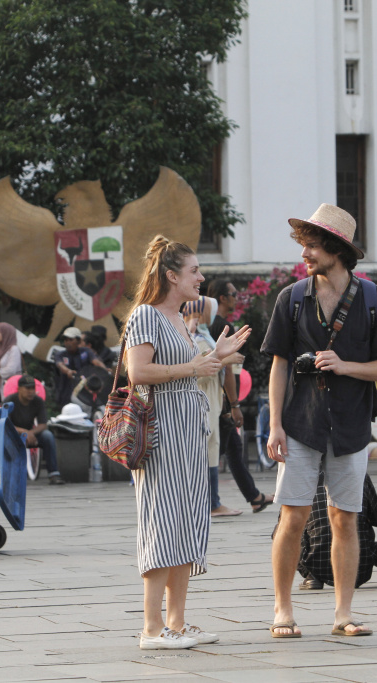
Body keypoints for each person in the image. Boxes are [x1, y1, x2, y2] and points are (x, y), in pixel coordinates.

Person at [261, 204, 377, 639]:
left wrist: (345, 366)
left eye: (313, 244)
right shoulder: (292, 298)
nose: (304, 252)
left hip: (351, 424)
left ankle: (344, 612)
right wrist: (274, 425)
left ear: (337, 249)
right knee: (294, 515)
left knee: (346, 517)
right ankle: (283, 608)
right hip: (301, 421)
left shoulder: (376, 300)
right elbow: (279, 365)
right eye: (304, 243)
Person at [122, 235, 251, 650]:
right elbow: (138, 372)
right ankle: (152, 627)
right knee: (161, 523)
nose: (202, 277)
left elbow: (191, 370)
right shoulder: (145, 315)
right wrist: (196, 364)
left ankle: (177, 623)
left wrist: (219, 358)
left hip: (190, 430)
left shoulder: (178, 318)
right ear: (172, 275)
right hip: (162, 432)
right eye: (194, 271)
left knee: (186, 523)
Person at [207, 278, 274, 513]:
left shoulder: (209, 326)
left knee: (231, 448)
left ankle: (254, 496)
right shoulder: (223, 328)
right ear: (223, 298)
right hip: (220, 399)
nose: (237, 298)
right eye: (234, 294)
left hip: (216, 398)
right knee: (214, 450)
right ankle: (212, 502)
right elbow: (228, 371)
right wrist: (234, 404)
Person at [182, 295, 241, 517]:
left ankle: (212, 501)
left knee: (211, 450)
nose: (214, 314)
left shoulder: (201, 336)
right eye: (210, 310)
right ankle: (210, 502)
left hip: (210, 402)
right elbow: (200, 370)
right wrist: (227, 359)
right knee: (206, 451)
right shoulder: (196, 338)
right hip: (202, 402)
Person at [292, 473, 377, 591]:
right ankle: (350, 575)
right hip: (360, 567)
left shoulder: (304, 474)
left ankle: (312, 576)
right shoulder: (357, 471)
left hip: (316, 562)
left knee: (284, 531)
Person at [5, 375, 64, 485]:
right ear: (19, 389)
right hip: (13, 434)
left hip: (31, 435)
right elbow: (6, 424)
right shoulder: (10, 401)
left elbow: (43, 424)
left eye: (33, 388)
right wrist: (24, 432)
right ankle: (10, 473)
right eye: (28, 388)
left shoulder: (38, 401)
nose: (31, 391)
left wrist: (30, 433)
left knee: (48, 436)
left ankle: (53, 473)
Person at [52, 327, 105, 409]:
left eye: (71, 339)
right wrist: (68, 371)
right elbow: (61, 366)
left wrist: (104, 370)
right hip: (66, 393)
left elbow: (96, 362)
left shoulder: (86, 351)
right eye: (66, 340)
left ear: (78, 341)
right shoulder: (60, 355)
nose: (67, 342)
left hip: (86, 392)